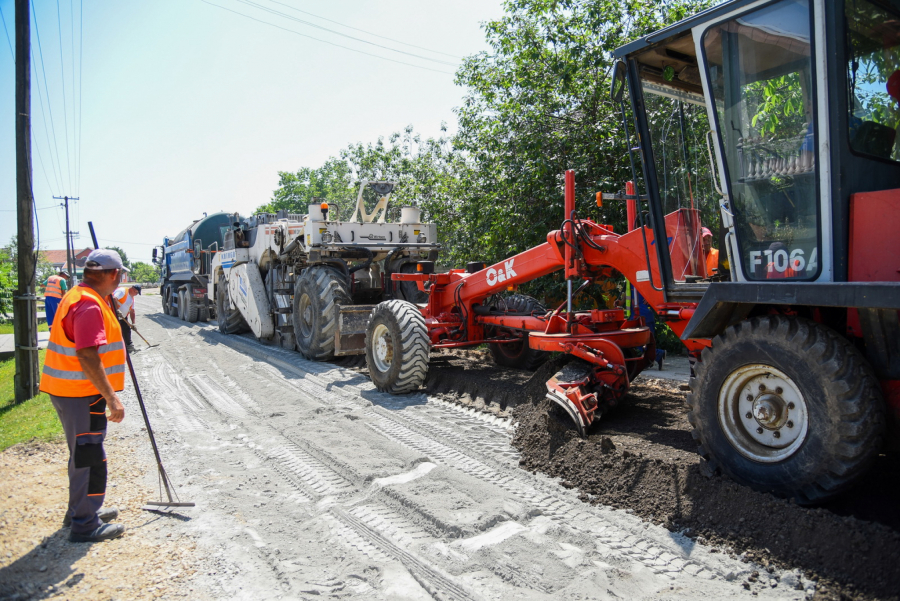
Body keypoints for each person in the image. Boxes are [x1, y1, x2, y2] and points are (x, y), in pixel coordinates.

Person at [39, 249, 129, 543]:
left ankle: (81, 511)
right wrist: (112, 398)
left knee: (82, 455)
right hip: (81, 393)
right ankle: (84, 524)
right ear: (113, 274)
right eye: (121, 275)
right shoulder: (89, 305)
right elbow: (88, 354)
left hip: (72, 391)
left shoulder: (82, 295)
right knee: (89, 456)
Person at [112, 285, 141, 353]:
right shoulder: (122, 291)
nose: (136, 294)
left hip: (123, 317)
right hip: (113, 316)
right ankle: (115, 349)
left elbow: (132, 311)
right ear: (132, 289)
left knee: (126, 330)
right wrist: (117, 310)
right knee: (115, 332)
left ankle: (129, 346)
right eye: (136, 292)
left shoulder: (132, 298)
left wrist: (133, 323)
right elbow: (114, 298)